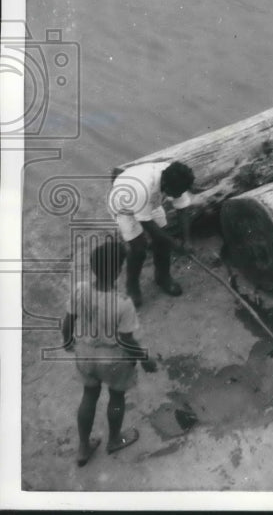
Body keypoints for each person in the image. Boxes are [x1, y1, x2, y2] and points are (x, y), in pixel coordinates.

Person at [61, 239, 156, 465]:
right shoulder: (123, 303)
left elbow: (68, 321)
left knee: (89, 396)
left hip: (85, 354)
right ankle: (114, 439)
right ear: (118, 270)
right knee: (116, 397)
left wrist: (67, 341)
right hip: (113, 360)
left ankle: (83, 448)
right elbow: (127, 340)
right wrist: (144, 359)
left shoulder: (80, 290)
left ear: (93, 266)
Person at [108, 160, 195, 306]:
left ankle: (163, 277)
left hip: (151, 201)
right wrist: (176, 245)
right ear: (166, 186)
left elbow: (183, 209)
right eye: (177, 192)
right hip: (124, 204)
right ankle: (132, 286)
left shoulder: (177, 178)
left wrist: (186, 240)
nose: (179, 194)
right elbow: (149, 226)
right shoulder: (142, 189)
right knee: (139, 248)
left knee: (163, 242)